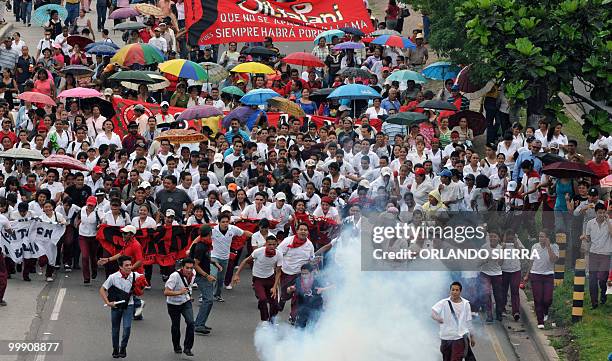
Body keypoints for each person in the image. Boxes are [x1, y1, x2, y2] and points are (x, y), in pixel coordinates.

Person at [99, 255, 144, 359]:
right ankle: (115, 349)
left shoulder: (135, 275)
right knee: (115, 329)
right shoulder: (113, 277)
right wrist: (108, 302)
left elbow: (143, 285)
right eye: (126, 265)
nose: (129, 267)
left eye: (130, 265)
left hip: (129, 305)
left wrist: (141, 287)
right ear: (120, 267)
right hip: (116, 306)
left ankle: (123, 347)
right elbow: (102, 289)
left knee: (127, 328)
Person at [97, 225, 146, 320]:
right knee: (127, 292)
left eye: (125, 233)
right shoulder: (127, 243)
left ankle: (139, 303)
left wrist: (129, 270)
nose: (123, 234)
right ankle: (138, 312)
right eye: (122, 232)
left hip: (134, 275)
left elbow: (140, 261)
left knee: (125, 292)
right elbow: (121, 254)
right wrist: (108, 259)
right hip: (128, 273)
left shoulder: (136, 245)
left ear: (131, 235)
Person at [233, 235, 282, 323]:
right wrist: (236, 274)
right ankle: (264, 321)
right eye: (269, 244)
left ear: (276, 245)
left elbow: (278, 272)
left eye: (273, 245)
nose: (271, 246)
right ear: (265, 244)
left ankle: (272, 321)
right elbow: (245, 261)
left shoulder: (279, 254)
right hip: (258, 279)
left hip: (270, 278)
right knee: (263, 299)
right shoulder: (258, 252)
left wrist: (275, 287)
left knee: (274, 303)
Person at [277, 222, 315, 323]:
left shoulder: (309, 245)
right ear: (297, 231)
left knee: (297, 296)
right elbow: (278, 253)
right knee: (286, 293)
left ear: (308, 232)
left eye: (305, 230)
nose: (303, 231)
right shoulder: (288, 241)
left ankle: (293, 316)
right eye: (301, 229)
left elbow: (311, 259)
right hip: (287, 272)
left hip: (301, 275)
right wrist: (277, 267)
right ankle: (283, 299)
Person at [431, 281, 476, 361]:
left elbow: (469, 322)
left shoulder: (466, 304)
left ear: (460, 292)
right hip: (446, 337)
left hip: (459, 338)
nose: (454, 292)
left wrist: (472, 337)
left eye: (457, 290)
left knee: (456, 359)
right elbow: (433, 312)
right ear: (450, 291)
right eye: (453, 290)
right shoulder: (444, 303)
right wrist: (437, 318)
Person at [523, 230, 559, 328]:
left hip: (548, 275)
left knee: (547, 298)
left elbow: (553, 259)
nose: (541, 239)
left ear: (548, 238)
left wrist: (548, 247)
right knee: (538, 298)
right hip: (536, 274)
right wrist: (527, 275)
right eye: (540, 236)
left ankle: (545, 311)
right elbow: (531, 261)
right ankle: (540, 321)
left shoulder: (554, 246)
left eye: (543, 237)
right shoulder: (535, 246)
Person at [580, 203, 611, 309]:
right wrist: (584, 237)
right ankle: (594, 302)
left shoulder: (610, 222)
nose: (601, 215)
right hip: (593, 253)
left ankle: (603, 293)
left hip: (605, 254)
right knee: (592, 279)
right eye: (599, 213)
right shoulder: (590, 223)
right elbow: (588, 238)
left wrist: (608, 221)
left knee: (602, 279)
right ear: (596, 213)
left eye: (603, 212)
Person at [190, 225, 221, 335]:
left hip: (204, 276)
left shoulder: (205, 245)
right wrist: (207, 275)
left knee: (209, 300)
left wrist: (214, 263)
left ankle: (200, 322)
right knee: (208, 300)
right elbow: (195, 264)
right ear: (208, 234)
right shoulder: (201, 247)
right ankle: (198, 324)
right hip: (201, 277)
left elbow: (205, 258)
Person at [164, 258, 196, 356]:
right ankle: (176, 345)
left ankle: (187, 348)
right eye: (187, 268)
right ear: (182, 267)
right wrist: (179, 292)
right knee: (176, 326)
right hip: (173, 304)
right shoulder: (174, 276)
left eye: (191, 268)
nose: (189, 270)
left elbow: (188, 286)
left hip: (185, 302)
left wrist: (189, 296)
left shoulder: (193, 274)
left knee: (191, 323)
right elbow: (166, 292)